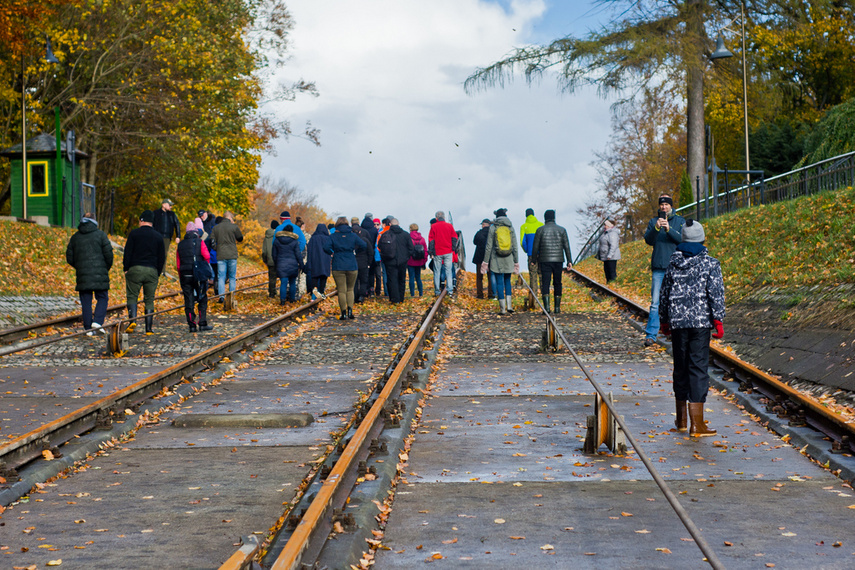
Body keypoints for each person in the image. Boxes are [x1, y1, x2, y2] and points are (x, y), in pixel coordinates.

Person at [659, 220, 725, 437]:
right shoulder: (710, 264)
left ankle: (681, 421)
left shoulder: (673, 263)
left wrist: (664, 321)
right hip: (700, 322)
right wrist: (718, 320)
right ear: (702, 239)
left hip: (678, 323)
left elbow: (665, 294)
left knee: (680, 367)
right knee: (697, 368)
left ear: (684, 239)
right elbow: (715, 293)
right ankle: (697, 425)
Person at [643, 194, 685, 347]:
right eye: (662, 205)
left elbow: (683, 240)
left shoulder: (680, 221)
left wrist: (669, 229)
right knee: (655, 303)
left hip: (676, 267)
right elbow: (648, 240)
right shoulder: (653, 221)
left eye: (667, 205)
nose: (664, 207)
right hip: (659, 267)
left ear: (671, 206)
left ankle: (676, 334)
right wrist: (656, 228)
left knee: (676, 301)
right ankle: (651, 335)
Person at [65, 213, 113, 335]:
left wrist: (80, 267)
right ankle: (97, 321)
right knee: (102, 298)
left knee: (86, 301)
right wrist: (104, 268)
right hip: (100, 273)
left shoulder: (75, 237)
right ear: (94, 221)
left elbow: (69, 257)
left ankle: (88, 329)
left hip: (83, 275)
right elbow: (109, 255)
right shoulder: (101, 235)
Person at [122, 210, 165, 334]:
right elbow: (162, 256)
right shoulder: (158, 236)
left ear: (141, 220)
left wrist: (126, 268)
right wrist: (157, 271)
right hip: (152, 270)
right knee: (149, 299)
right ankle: (149, 329)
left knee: (132, 296)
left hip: (135, 269)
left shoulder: (134, 234)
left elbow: (128, 252)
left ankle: (133, 321)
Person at [531, 209, 573, 313]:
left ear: (545, 218)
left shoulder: (540, 230)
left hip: (545, 260)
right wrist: (569, 260)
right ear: (554, 217)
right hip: (558, 260)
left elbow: (535, 246)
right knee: (557, 282)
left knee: (545, 282)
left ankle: (547, 308)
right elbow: (566, 246)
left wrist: (533, 259)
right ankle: (557, 308)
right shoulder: (562, 230)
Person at [325, 216, 366, 319]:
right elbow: (364, 245)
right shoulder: (353, 235)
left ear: (337, 225)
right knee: (350, 289)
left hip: (338, 265)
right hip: (352, 264)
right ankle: (350, 311)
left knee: (341, 290)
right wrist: (355, 251)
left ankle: (343, 313)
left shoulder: (333, 236)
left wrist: (332, 253)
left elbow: (325, 247)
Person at [176, 222, 213, 332]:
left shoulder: (180, 245)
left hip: (185, 274)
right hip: (198, 274)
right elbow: (206, 256)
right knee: (202, 297)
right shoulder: (200, 242)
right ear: (196, 232)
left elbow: (178, 263)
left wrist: (180, 276)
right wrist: (205, 268)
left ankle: (191, 324)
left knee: (188, 299)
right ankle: (202, 322)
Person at [481, 208, 519, 314]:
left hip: (496, 259)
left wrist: (485, 262)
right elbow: (515, 246)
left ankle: (502, 309)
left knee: (499, 282)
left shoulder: (493, 227)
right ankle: (510, 306)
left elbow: (489, 246)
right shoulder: (510, 227)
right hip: (509, 258)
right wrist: (516, 261)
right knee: (507, 281)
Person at [210, 211, 244, 301]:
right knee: (232, 277)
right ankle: (231, 296)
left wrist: (217, 248)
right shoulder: (234, 227)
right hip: (232, 255)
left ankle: (221, 297)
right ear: (230, 218)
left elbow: (212, 242)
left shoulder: (216, 228)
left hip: (221, 255)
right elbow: (240, 238)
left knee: (221, 277)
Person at [380, 218, 413, 304]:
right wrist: (406, 257)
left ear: (390, 224)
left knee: (392, 280)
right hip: (402, 261)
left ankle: (395, 299)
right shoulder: (405, 234)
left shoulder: (386, 234)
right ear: (398, 224)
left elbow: (380, 245)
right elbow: (411, 248)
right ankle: (401, 298)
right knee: (401, 279)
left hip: (390, 261)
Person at [272, 223, 305, 304]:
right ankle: (292, 300)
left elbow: (273, 254)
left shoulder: (277, 240)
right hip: (293, 265)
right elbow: (298, 255)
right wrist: (302, 265)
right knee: (292, 283)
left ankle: (282, 301)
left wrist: (277, 263)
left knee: (283, 282)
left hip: (281, 264)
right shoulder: (294, 241)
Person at [428, 210, 457, 295]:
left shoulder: (433, 226)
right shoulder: (449, 226)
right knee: (448, 271)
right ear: (444, 218)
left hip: (438, 252)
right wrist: (452, 248)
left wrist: (431, 252)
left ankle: (437, 291)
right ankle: (450, 290)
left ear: (436, 218)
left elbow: (431, 240)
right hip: (448, 251)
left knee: (437, 272)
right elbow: (454, 237)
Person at [520, 208, 543, 306]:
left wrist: (528, 250)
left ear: (526, 215)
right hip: (541, 254)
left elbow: (522, 242)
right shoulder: (540, 225)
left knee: (533, 276)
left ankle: (534, 300)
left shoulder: (524, 226)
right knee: (542, 275)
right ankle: (544, 298)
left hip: (530, 255)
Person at [152, 198, 180, 272]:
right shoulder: (156, 213)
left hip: (167, 237)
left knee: (164, 254)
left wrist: (178, 236)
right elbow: (151, 224)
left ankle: (162, 271)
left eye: (171, 205)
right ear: (163, 205)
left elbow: (177, 224)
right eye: (169, 205)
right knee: (155, 253)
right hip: (156, 237)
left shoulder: (172, 214)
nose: (171, 206)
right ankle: (153, 268)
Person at [306, 223, 333, 300]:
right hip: (325, 262)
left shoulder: (313, 238)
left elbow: (309, 250)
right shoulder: (328, 238)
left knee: (314, 278)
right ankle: (321, 292)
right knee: (323, 278)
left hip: (315, 262)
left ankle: (314, 294)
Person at [351, 217, 372, 303]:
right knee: (364, 280)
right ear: (360, 231)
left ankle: (355, 296)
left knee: (355, 281)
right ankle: (362, 296)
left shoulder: (351, 241)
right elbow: (370, 252)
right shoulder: (365, 240)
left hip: (353, 263)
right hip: (364, 263)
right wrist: (369, 263)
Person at [472, 218, 493, 299]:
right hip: (490, 258)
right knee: (490, 276)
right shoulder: (492, 233)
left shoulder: (479, 233)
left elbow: (474, 242)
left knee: (479, 277)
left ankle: (480, 294)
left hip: (479, 258)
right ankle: (490, 294)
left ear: (483, 225)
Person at [360, 214, 380, 296]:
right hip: (371, 253)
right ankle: (371, 288)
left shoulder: (361, 230)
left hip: (362, 254)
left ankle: (364, 290)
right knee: (372, 273)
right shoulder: (374, 230)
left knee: (364, 273)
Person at [598, 218, 621, 283]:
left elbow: (613, 245)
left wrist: (610, 255)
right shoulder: (606, 233)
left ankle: (613, 285)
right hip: (606, 256)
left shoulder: (612, 234)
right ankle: (609, 284)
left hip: (611, 257)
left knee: (611, 272)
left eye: (606, 225)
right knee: (607, 271)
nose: (604, 226)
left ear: (610, 225)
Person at [407, 223, 427, 297]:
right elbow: (425, 250)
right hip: (419, 261)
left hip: (410, 261)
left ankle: (412, 294)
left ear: (410, 229)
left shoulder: (409, 238)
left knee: (411, 277)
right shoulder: (422, 239)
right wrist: (424, 260)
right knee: (418, 277)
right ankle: (420, 293)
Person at [262, 220, 279, 298]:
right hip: (279, 260)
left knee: (272, 278)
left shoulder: (267, 237)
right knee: (283, 277)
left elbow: (264, 251)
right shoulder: (279, 235)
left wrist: (265, 260)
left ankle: (272, 293)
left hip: (270, 259)